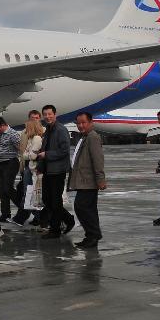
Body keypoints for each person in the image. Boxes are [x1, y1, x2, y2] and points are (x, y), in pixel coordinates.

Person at [67, 112, 107, 249]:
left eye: (83, 122)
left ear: (91, 122)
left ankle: (94, 234)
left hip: (89, 181)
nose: (80, 125)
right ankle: (91, 236)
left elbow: (98, 159)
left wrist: (100, 179)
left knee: (81, 207)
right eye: (78, 123)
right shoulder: (85, 137)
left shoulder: (93, 137)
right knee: (89, 209)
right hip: (83, 180)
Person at [37, 104, 76, 239]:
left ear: (55, 114)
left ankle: (55, 230)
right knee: (47, 200)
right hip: (48, 170)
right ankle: (68, 219)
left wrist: (46, 155)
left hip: (57, 171)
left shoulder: (61, 129)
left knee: (55, 201)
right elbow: (44, 148)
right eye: (45, 114)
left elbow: (64, 150)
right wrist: (40, 166)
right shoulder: (48, 130)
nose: (47, 117)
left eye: (50, 114)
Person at [12, 116, 45, 226]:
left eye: (27, 127)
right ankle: (36, 218)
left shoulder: (36, 139)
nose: (26, 130)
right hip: (30, 169)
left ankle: (42, 218)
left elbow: (31, 155)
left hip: (33, 170)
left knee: (30, 195)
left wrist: (26, 155)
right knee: (29, 195)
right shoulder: (32, 138)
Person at [0, 116, 21, 222]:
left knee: (8, 188)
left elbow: (20, 147)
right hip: (2, 163)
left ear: (3, 125)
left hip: (11, 162)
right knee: (2, 189)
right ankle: (5, 214)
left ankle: (23, 207)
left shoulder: (13, 134)